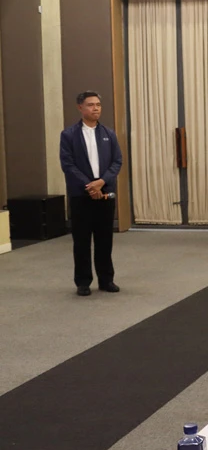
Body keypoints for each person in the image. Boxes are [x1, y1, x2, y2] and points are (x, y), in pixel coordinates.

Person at [59, 91, 123, 297]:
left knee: (104, 239)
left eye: (98, 105)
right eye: (90, 105)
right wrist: (90, 186)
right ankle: (83, 281)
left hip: (105, 192)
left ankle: (106, 280)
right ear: (80, 108)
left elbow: (117, 162)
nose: (95, 108)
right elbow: (68, 164)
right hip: (81, 194)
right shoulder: (69, 135)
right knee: (82, 240)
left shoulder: (109, 134)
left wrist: (102, 182)